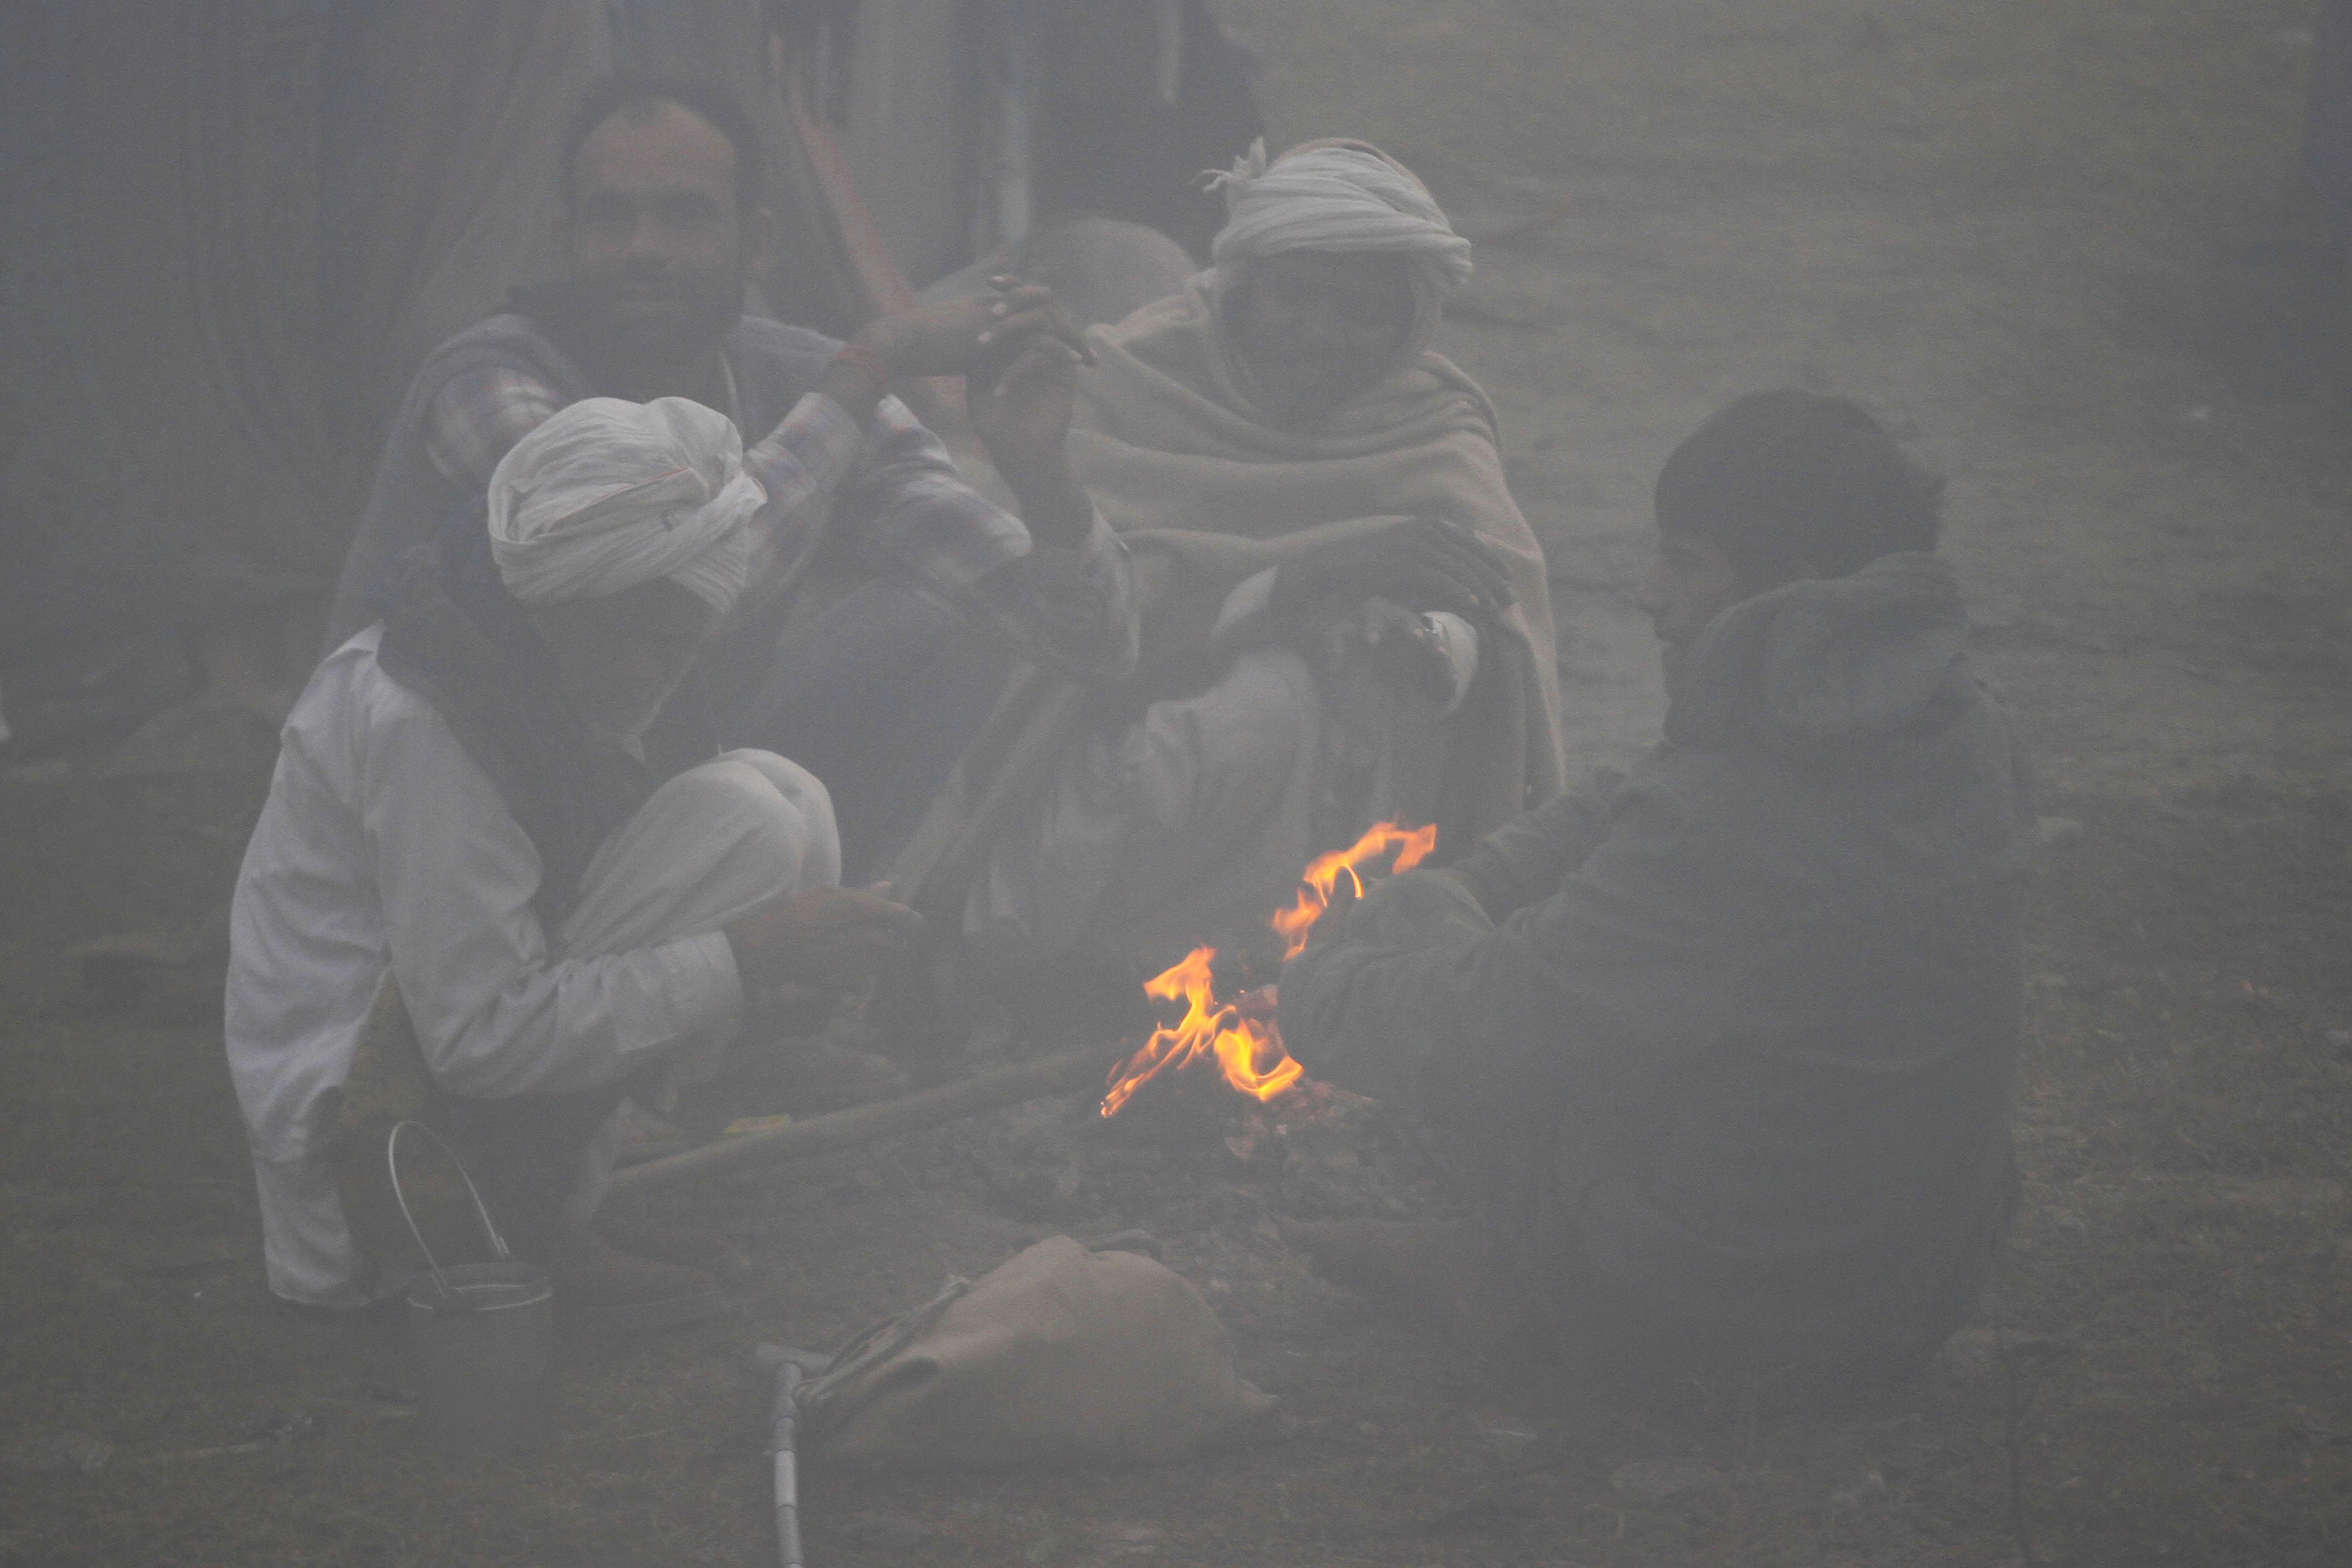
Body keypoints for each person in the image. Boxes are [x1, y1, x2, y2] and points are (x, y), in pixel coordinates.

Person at [1279, 391, 2034, 1404]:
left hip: (1734, 1323)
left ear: (1792, 588)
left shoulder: (1736, 823)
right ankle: (1538, 1257)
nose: (1650, 593)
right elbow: (1644, 792)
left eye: (1685, 561)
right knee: (1475, 929)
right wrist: (1485, 877)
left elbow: (1487, 1028)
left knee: (1461, 980)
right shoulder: (1960, 729)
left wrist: (1313, 985)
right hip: (1918, 1293)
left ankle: (1527, 1281)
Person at [228, 396, 1049, 1326]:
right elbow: (478, 1037)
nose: (648, 668)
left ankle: (573, 1190)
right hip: (375, 1157)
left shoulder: (524, 641)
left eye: (674, 638)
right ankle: (517, 1239)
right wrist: (753, 950)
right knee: (748, 829)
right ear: (557, 595)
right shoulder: (430, 719)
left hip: (427, 1050)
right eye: (625, 631)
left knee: (779, 803)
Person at [328, 76, 1139, 883]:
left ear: (755, 247)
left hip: (654, 808)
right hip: (452, 841)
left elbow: (1088, 647)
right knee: (747, 794)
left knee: (938, 633)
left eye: (686, 215)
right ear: (563, 241)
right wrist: (873, 362)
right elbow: (681, 589)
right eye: (613, 217)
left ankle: (797, 965)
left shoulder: (789, 376)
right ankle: (744, 966)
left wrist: (1041, 478)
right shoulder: (488, 379)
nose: (645, 247)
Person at [906, 139, 1565, 1000]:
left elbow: (1502, 641)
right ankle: (1077, 978)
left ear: (1409, 326)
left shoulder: (1431, 428)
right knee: (1264, 705)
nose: (1319, 334)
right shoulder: (1122, 382)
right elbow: (1052, 636)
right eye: (1295, 296)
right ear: (1241, 286)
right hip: (1075, 790)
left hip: (1341, 813)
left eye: (1360, 312)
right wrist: (1297, 588)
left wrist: (1432, 646)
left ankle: (1318, 979)